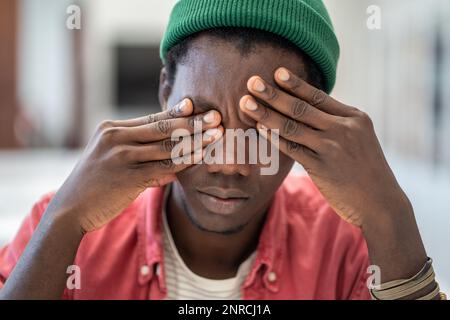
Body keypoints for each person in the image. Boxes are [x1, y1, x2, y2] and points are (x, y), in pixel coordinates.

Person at [0, 0, 444, 300]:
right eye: (203, 121)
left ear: (314, 125)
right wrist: (62, 221)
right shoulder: (66, 228)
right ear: (164, 93)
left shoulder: (347, 244)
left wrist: (391, 216)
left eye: (265, 128)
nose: (230, 164)